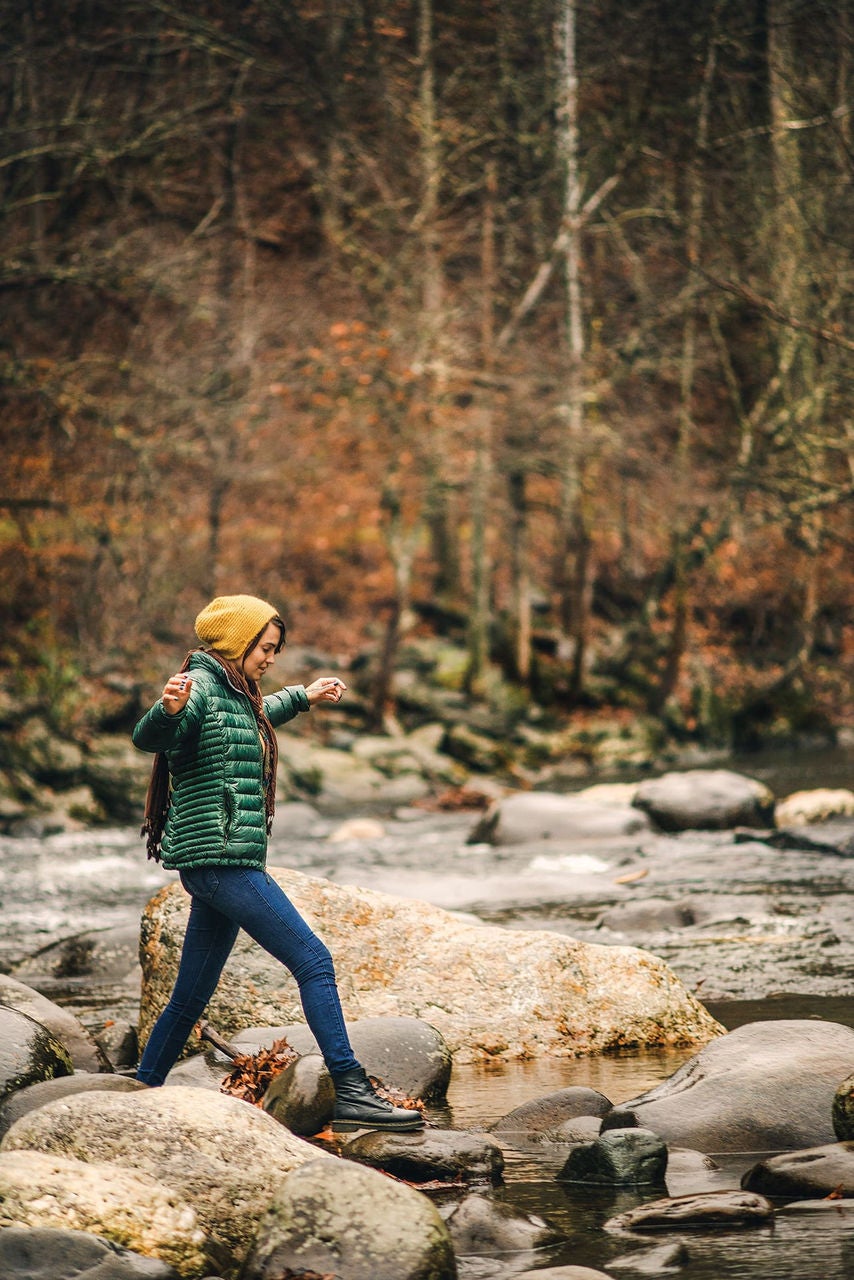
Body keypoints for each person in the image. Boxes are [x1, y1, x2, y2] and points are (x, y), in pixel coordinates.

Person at [132, 593, 422, 1132]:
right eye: (265, 648)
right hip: (221, 863)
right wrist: (165, 709)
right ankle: (352, 1090)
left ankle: (140, 1089)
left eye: (275, 650)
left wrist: (305, 696)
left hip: (219, 861)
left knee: (189, 997)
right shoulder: (196, 691)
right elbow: (151, 735)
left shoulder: (237, 693)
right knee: (313, 959)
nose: (270, 658)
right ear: (238, 644)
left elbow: (261, 715)